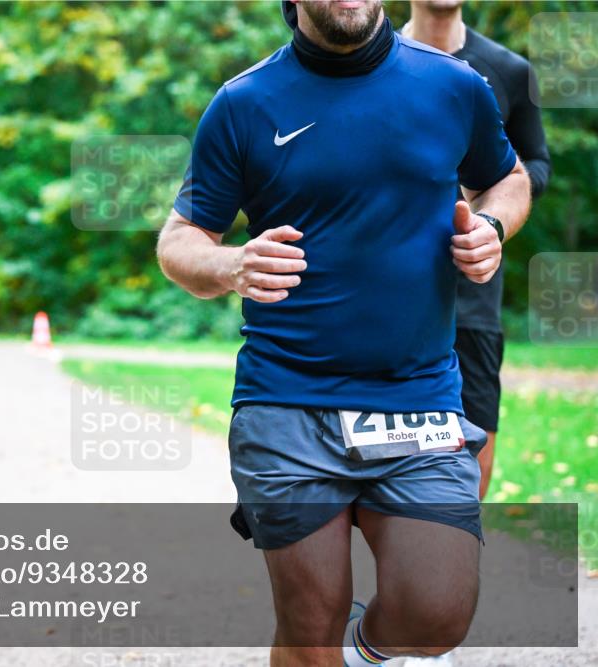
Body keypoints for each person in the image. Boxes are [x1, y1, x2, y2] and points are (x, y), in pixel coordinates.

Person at [156, 2, 531, 666]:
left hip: (417, 396)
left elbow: (508, 178)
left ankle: (363, 651)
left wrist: (491, 228)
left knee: (435, 613)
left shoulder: (453, 85)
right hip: (286, 400)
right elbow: (181, 240)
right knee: (309, 623)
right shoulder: (244, 102)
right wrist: (230, 264)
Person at [403, 0, 551, 502]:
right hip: (387, 298)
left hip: (473, 296)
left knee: (468, 468)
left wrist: (489, 200)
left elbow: (536, 161)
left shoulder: (509, 70)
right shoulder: (369, 62)